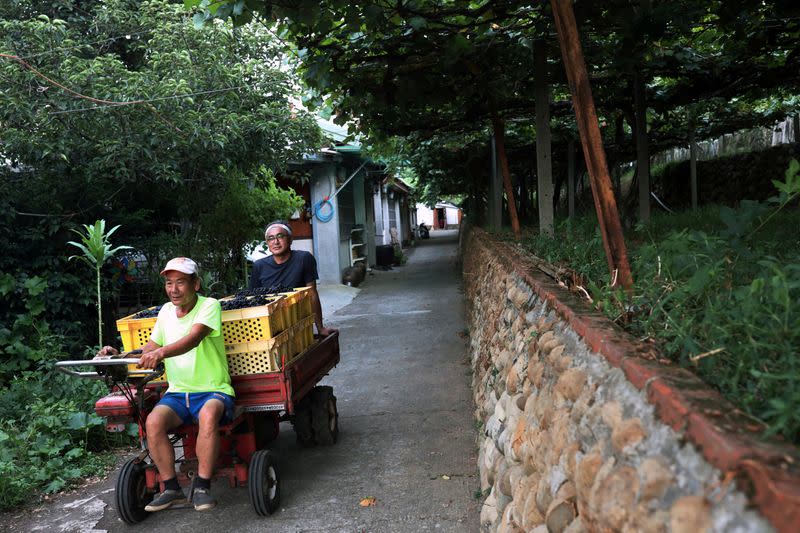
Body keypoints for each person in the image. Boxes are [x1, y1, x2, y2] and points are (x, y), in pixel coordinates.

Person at [97, 257, 234, 513]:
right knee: (153, 422)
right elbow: (150, 349)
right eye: (169, 283)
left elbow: (193, 339)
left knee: (207, 415)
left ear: (196, 284)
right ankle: (172, 488)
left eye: (180, 282)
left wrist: (160, 354)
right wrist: (117, 355)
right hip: (178, 392)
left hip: (213, 389)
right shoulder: (165, 312)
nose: (174, 289)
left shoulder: (209, 306)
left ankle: (203, 486)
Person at [249, 220, 337, 337]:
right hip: (271, 326)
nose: (276, 242)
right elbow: (252, 300)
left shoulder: (304, 259)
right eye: (270, 238)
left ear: (290, 239)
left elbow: (312, 294)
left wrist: (320, 328)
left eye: (280, 236)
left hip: (298, 321)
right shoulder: (259, 266)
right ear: (267, 243)